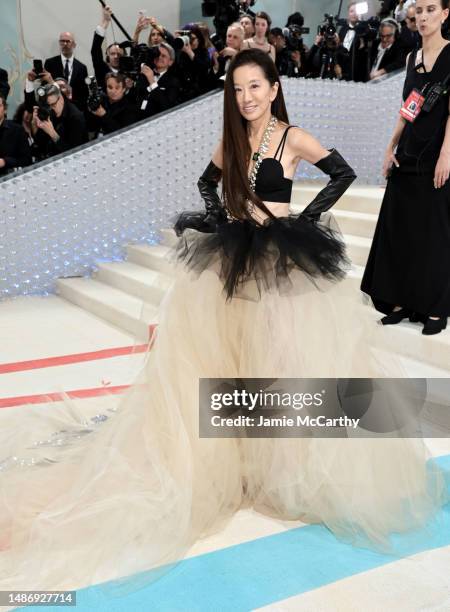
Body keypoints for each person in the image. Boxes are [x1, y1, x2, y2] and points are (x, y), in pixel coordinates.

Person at [0, 48, 446, 597]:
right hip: (233, 263)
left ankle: (278, 465)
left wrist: (299, 224)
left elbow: (341, 171)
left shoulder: (290, 137)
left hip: (281, 266)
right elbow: (207, 185)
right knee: (229, 364)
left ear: (274, 87)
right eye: (238, 89)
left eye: (255, 86)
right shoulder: (232, 141)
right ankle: (234, 461)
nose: (247, 97)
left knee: (281, 365)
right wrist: (223, 221)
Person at [361, 0, 450, 335]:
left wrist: (446, 156)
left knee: (435, 234)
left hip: (436, 157)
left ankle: (436, 307)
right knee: (401, 229)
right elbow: (409, 107)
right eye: (419, 12)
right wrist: (390, 146)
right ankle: (400, 300)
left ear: (445, 13)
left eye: (431, 9)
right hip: (408, 153)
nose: (423, 17)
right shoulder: (412, 58)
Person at [28, 82, 88, 159]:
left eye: (53, 104)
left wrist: (53, 134)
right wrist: (34, 125)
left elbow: (74, 154)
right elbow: (41, 145)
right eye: (48, 105)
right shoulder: (50, 112)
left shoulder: (76, 117)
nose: (51, 108)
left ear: (61, 98)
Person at [44, 32, 88, 111]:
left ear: (74, 45)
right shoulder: (49, 63)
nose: (64, 44)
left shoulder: (82, 68)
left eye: (68, 41)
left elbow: (84, 94)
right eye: (62, 41)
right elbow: (44, 87)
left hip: (74, 110)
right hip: (54, 108)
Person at [138, 42, 181, 117]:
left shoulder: (173, 82)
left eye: (163, 56)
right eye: (157, 54)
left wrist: (152, 82)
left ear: (170, 62)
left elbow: (166, 106)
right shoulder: (144, 74)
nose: (159, 57)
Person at [91, 5, 125, 88]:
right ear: (108, 56)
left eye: (119, 54)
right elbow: (95, 50)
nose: (116, 56)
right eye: (113, 54)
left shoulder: (128, 72)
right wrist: (105, 22)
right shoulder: (102, 69)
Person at [0, 93, 32, 176]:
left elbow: (27, 160)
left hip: (10, 178)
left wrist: (5, 162)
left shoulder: (17, 129)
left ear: (5, 109)